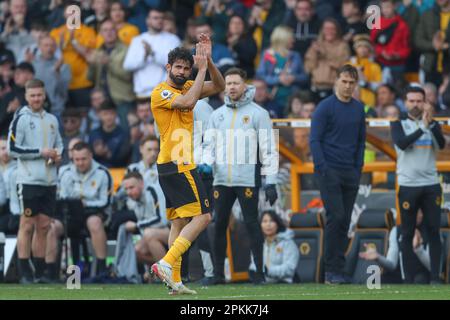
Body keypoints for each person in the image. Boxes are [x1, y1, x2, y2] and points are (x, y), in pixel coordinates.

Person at [149, 36, 225, 294]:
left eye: (186, 67)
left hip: (170, 165)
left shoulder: (190, 85)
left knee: (179, 223)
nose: (182, 72)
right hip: (177, 163)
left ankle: (176, 281)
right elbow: (188, 103)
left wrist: (208, 61)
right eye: (178, 67)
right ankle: (167, 262)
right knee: (203, 217)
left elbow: (219, 85)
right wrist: (200, 69)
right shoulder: (162, 92)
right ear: (168, 67)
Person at [203, 67, 278, 285]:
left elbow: (269, 149)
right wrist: (206, 163)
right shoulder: (216, 116)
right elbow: (208, 145)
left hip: (246, 178)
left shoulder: (259, 113)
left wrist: (271, 180)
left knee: (252, 224)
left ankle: (259, 273)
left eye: (236, 83)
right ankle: (218, 274)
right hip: (221, 180)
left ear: (245, 85)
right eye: (228, 84)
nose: (232, 87)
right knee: (218, 225)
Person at [309, 64, 366, 284]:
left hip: (351, 172)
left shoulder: (358, 108)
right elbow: (314, 140)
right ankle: (331, 270)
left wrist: (358, 167)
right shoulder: (324, 107)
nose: (348, 86)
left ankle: (336, 269)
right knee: (337, 217)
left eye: (352, 82)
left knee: (344, 222)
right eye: (344, 81)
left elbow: (361, 140)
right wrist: (323, 167)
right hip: (329, 170)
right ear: (336, 81)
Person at [7, 79, 63, 284]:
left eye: (39, 95)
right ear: (26, 96)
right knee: (27, 225)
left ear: (44, 95)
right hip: (28, 180)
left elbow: (59, 144)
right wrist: (41, 152)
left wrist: (58, 155)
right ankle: (25, 273)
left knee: (44, 226)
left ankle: (39, 274)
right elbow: (13, 149)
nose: (37, 99)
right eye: (33, 95)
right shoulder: (20, 118)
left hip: (49, 181)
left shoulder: (52, 119)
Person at [390, 86, 446, 284]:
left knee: (433, 230)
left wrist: (429, 125)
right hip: (408, 185)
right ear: (405, 102)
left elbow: (442, 145)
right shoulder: (398, 123)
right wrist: (422, 127)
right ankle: (408, 279)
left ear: (425, 102)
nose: (415, 104)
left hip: (431, 183)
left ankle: (435, 277)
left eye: (419, 101)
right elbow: (402, 144)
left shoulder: (432, 124)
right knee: (407, 232)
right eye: (411, 101)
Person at [58, 141, 112, 275]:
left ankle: (101, 268)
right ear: (72, 158)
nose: (80, 163)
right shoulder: (64, 172)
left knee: (94, 222)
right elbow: (61, 196)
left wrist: (85, 204)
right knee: (52, 226)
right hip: (70, 213)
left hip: (95, 212)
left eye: (84, 159)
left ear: (91, 156)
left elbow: (106, 202)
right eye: (77, 159)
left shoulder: (103, 173)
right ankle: (51, 271)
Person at [87, 19, 135, 129]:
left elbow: (128, 75)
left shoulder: (127, 50)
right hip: (102, 100)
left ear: (117, 31)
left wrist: (109, 63)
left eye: (112, 30)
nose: (109, 33)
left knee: (125, 130)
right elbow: (90, 78)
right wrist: (91, 65)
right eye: (105, 30)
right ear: (101, 33)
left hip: (121, 98)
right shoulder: (98, 51)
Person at [123, 8, 181, 98]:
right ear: (148, 20)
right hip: (142, 93)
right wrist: (144, 56)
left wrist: (153, 53)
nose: (160, 20)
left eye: (162, 18)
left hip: (165, 93)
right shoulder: (137, 40)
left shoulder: (173, 39)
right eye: (156, 18)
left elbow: (175, 64)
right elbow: (127, 65)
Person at [50, 1, 97, 108]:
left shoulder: (88, 31)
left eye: (74, 11)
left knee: (83, 115)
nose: (71, 14)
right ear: (64, 14)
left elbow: (90, 55)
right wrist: (60, 44)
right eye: (69, 11)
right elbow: (50, 54)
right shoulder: (56, 32)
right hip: (62, 83)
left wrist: (73, 41)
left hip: (83, 83)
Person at [121, 172, 169, 272]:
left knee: (149, 234)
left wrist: (136, 225)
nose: (129, 192)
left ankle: (167, 273)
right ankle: (155, 271)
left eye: (131, 187)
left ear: (142, 184)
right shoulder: (135, 200)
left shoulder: (153, 190)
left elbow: (162, 220)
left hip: (175, 229)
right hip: (159, 232)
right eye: (126, 189)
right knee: (138, 250)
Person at [256, 25, 309, 108]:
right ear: (283, 39)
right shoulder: (268, 54)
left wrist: (294, 78)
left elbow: (305, 78)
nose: (293, 40)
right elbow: (260, 76)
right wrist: (278, 79)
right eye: (291, 37)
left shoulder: (295, 56)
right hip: (271, 99)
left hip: (292, 101)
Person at [304, 18, 351, 101]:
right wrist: (315, 53)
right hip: (315, 87)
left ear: (337, 31)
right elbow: (308, 68)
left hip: (334, 88)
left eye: (332, 29)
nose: (329, 31)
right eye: (326, 29)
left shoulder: (343, 46)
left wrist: (324, 54)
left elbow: (343, 67)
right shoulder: (316, 45)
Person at [249, 210, 299, 284]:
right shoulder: (258, 243)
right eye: (264, 221)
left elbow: (290, 268)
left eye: (271, 221)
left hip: (284, 283)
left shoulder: (288, 243)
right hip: (264, 284)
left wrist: (268, 271)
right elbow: (254, 264)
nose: (268, 224)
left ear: (278, 224)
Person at [32, 36, 71, 118]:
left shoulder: (64, 66)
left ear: (56, 48)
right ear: (39, 47)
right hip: (35, 110)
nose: (49, 48)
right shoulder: (33, 65)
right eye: (46, 45)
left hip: (55, 111)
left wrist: (57, 73)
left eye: (52, 45)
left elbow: (63, 93)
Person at [88, 102, 130, 168]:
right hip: (97, 170)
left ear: (116, 114)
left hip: (118, 170)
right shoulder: (93, 134)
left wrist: (108, 154)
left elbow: (125, 159)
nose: (108, 117)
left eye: (111, 113)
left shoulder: (124, 134)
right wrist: (96, 153)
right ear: (99, 115)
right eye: (105, 114)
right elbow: (88, 156)